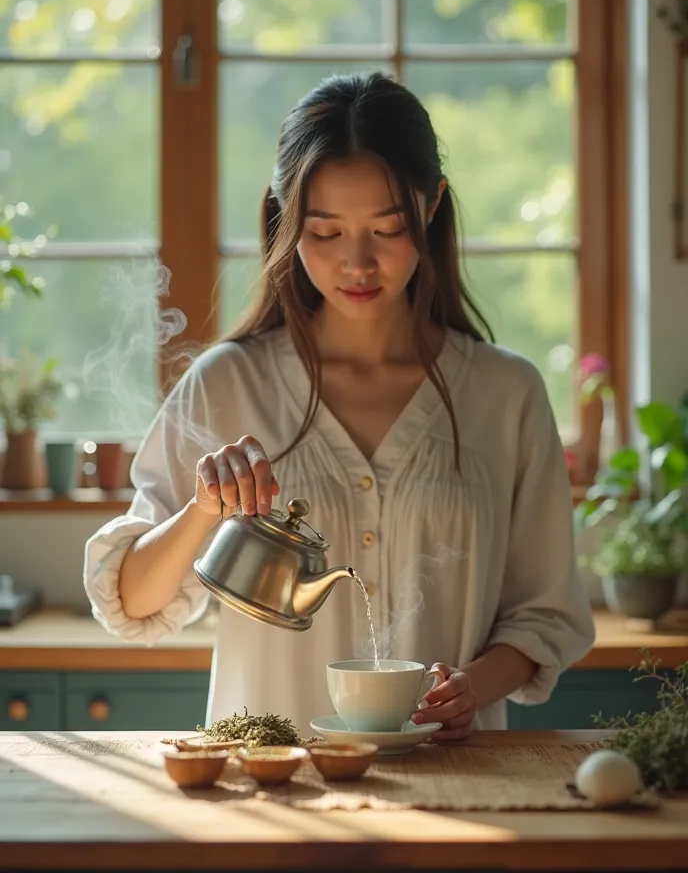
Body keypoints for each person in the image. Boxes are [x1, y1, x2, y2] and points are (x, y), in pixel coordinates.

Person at [84, 71, 595, 741]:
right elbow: (132, 601)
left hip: (455, 785)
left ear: (432, 204)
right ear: (285, 217)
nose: (357, 263)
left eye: (387, 229)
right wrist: (204, 510)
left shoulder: (506, 395)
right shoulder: (227, 383)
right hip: (275, 793)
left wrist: (474, 686)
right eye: (325, 232)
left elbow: (545, 613)